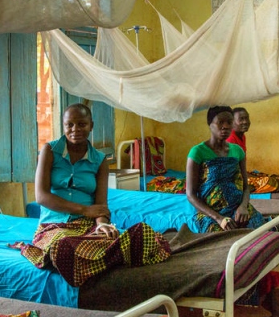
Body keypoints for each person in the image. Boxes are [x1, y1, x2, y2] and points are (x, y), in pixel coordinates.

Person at [21, 103, 170, 287]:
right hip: (54, 226)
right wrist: (84, 210)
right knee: (63, 247)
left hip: (86, 228)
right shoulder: (50, 151)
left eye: (82, 124)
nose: (75, 129)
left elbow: (100, 205)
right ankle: (107, 258)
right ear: (63, 126)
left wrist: (101, 225)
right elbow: (41, 197)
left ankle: (97, 258)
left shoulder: (99, 160)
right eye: (70, 125)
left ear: (91, 125)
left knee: (144, 235)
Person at [186, 106, 279, 317]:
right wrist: (218, 218)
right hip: (210, 213)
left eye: (229, 123)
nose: (225, 127)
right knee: (229, 252)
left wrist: (243, 207)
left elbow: (246, 186)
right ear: (210, 124)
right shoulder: (197, 152)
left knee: (267, 235)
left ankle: (272, 304)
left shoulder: (237, 151)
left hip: (237, 208)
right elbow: (191, 195)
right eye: (220, 123)